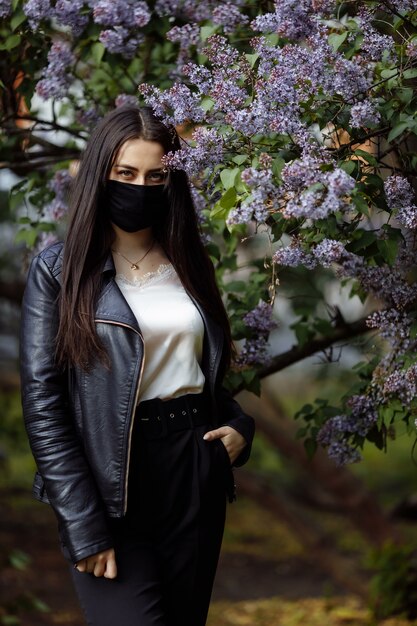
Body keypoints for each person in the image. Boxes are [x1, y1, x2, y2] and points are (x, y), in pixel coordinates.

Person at [20, 105, 255, 626]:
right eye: (125, 174)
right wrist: (82, 523)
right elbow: (44, 404)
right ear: (101, 173)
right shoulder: (59, 272)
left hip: (194, 469)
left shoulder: (191, 261)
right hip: (110, 480)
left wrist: (240, 426)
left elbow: (202, 371)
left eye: (156, 176)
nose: (140, 187)